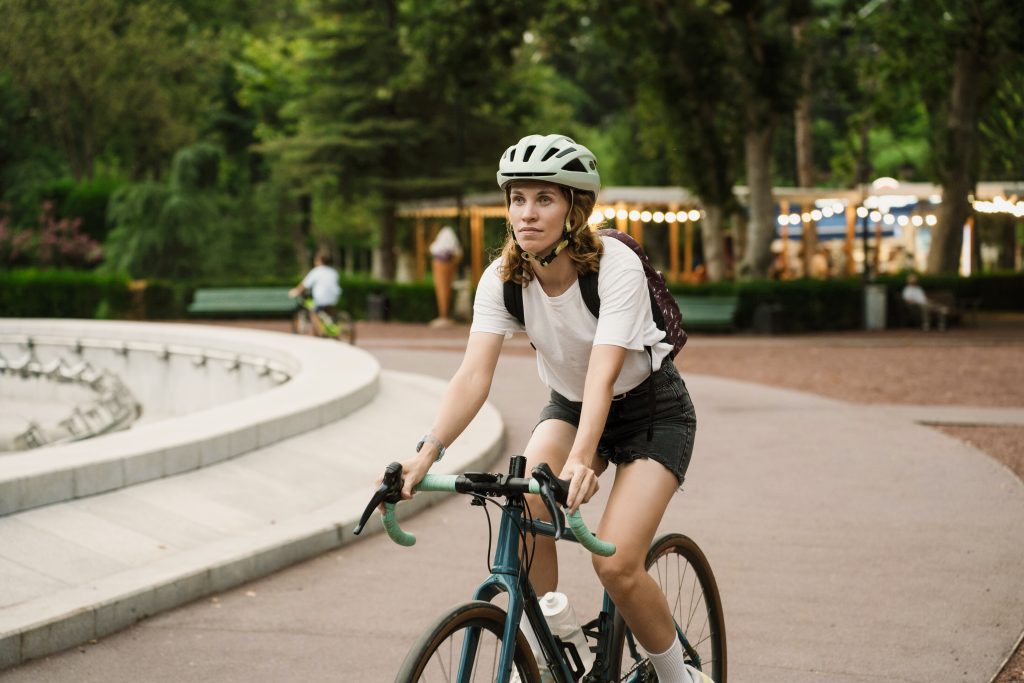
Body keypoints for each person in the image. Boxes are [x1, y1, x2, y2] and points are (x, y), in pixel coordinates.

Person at [393, 134, 698, 682]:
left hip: (652, 413)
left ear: (574, 209)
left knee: (615, 564)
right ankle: (558, 642)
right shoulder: (503, 279)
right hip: (570, 406)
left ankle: (680, 676)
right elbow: (472, 376)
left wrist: (581, 459)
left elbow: (604, 372)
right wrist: (427, 452)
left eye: (544, 199)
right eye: (517, 199)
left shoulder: (616, 265)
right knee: (526, 499)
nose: (526, 213)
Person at [289, 247, 341, 337]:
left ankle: (322, 332)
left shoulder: (316, 271)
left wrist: (296, 291)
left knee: (313, 312)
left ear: (319, 261)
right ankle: (333, 328)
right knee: (329, 313)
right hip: (334, 297)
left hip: (321, 297)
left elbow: (304, 285)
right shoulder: (333, 272)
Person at [428, 225, 463, 327]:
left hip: (445, 261)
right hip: (446, 261)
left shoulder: (439, 245)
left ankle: (444, 315)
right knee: (443, 289)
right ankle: (443, 314)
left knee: (444, 289)